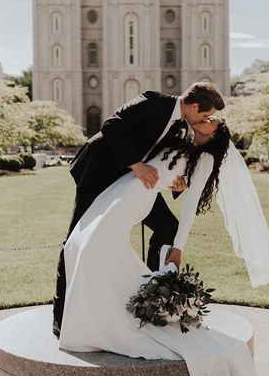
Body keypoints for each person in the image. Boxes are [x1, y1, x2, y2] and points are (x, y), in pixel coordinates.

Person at [59, 117, 269, 376]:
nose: (204, 119)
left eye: (211, 121)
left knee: (95, 246)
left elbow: (190, 207)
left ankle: (105, 322)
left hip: (137, 197)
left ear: (215, 134)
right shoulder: (179, 137)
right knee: (77, 245)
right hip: (120, 189)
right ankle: (100, 312)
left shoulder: (206, 158)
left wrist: (178, 248)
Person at [52, 82, 225, 337]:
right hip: (99, 174)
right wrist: (136, 165)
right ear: (195, 106)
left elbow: (163, 159)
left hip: (133, 185)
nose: (203, 120)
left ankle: (151, 297)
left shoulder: (180, 126)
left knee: (168, 228)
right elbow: (111, 126)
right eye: (204, 115)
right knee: (75, 241)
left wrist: (176, 184)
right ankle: (62, 317)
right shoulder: (153, 101)